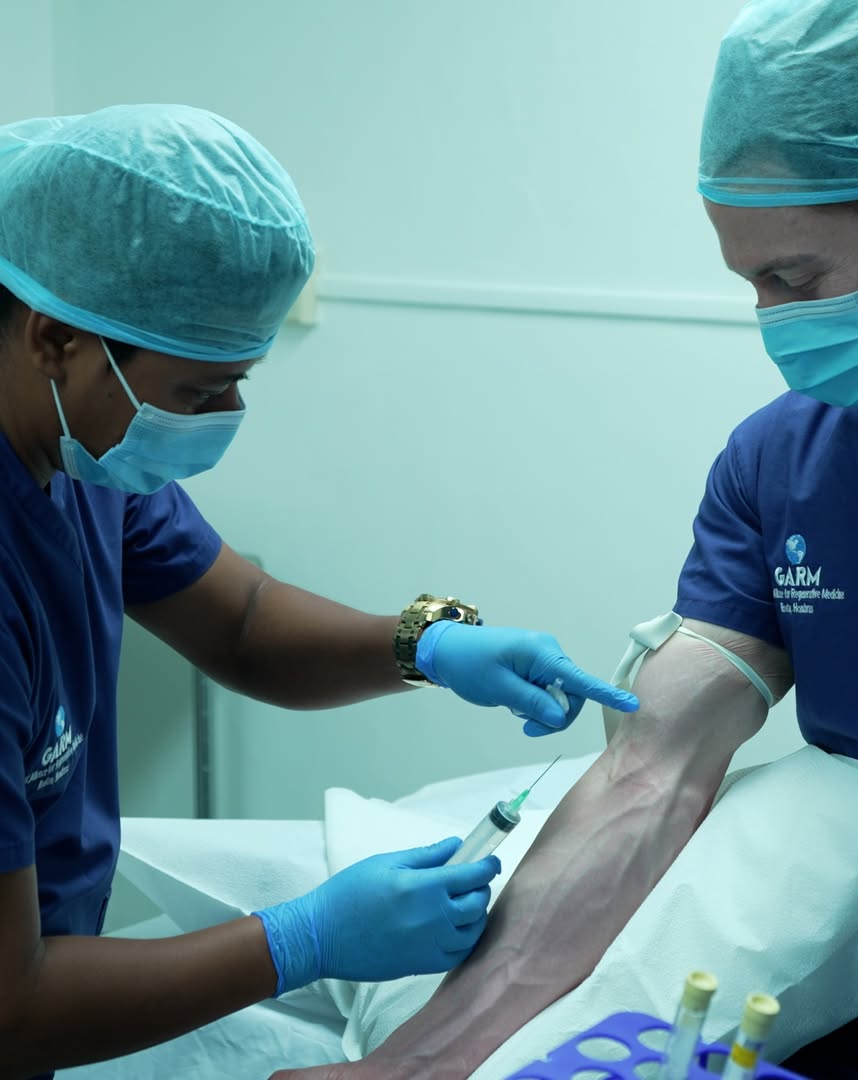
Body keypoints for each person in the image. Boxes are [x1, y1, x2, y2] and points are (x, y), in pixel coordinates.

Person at [282, 2, 858, 1078]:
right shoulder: (778, 466)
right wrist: (412, 1069)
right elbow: (646, 787)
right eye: (749, 281)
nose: (769, 317)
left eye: (793, 279)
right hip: (838, 1016)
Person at [0, 103, 638, 1080]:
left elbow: (243, 624)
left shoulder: (81, 460)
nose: (228, 417)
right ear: (53, 340)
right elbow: (14, 1005)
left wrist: (421, 644)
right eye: (198, 392)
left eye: (240, 381)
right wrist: (298, 941)